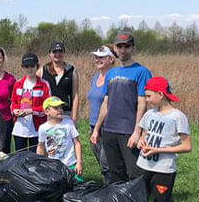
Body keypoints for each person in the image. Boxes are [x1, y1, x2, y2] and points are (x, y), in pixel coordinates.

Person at [134, 77, 191, 202]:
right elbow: (144, 133)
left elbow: (187, 146)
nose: (147, 99)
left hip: (163, 170)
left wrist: (158, 149)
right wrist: (141, 141)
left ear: (160, 94)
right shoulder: (150, 114)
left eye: (149, 96)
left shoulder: (178, 117)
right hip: (143, 166)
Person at [90, 31, 152, 183]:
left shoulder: (141, 72)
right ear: (115, 49)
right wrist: (97, 129)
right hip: (110, 130)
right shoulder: (112, 73)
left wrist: (137, 132)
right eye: (119, 46)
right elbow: (106, 103)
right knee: (114, 173)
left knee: (133, 173)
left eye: (127, 46)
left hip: (128, 132)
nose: (123, 50)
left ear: (133, 48)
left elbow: (143, 103)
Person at [87, 45, 116, 184]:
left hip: (107, 127)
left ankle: (111, 194)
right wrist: (93, 128)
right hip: (93, 126)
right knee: (101, 163)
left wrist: (98, 128)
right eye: (96, 57)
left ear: (111, 59)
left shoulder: (115, 77)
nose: (97, 59)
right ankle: (109, 189)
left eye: (101, 57)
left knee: (107, 164)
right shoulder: (96, 77)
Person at [37, 96, 83, 181]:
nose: (60, 110)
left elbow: (77, 143)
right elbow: (41, 146)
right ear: (47, 111)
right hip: (53, 167)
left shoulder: (69, 123)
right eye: (56, 108)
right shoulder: (43, 128)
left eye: (61, 107)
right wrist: (40, 163)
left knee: (77, 189)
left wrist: (79, 162)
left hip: (71, 165)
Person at [11, 53, 50, 152]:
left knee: (35, 158)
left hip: (37, 129)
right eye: (26, 66)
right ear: (22, 67)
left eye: (32, 66)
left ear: (37, 66)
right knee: (20, 158)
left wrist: (32, 111)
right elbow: (13, 102)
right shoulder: (18, 84)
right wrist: (15, 110)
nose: (29, 69)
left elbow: (47, 107)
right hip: (20, 129)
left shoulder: (44, 85)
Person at [38, 41, 79, 123]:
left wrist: (74, 118)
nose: (57, 54)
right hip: (48, 114)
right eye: (54, 52)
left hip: (65, 113)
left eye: (60, 51)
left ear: (64, 53)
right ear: (50, 53)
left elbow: (75, 95)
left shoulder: (72, 70)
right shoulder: (42, 70)